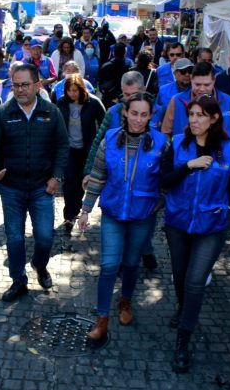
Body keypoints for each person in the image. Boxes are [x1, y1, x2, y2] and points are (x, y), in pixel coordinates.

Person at [161, 95, 230, 373]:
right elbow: (163, 181)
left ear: (213, 119)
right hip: (178, 223)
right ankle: (183, 308)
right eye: (192, 114)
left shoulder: (229, 150)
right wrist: (188, 166)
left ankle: (182, 342)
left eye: (201, 115)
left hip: (211, 226)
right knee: (179, 275)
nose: (195, 120)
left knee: (196, 280)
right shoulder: (177, 145)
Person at [79, 93, 168, 343]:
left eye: (144, 114)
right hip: (113, 214)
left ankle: (125, 302)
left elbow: (168, 180)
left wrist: (159, 202)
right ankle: (101, 319)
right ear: (125, 113)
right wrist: (86, 210)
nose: (138, 119)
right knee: (108, 266)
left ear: (151, 116)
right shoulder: (110, 139)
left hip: (142, 217)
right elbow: (97, 174)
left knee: (131, 263)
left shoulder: (161, 143)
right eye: (134, 113)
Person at [0, 64, 69, 302]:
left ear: (37, 85)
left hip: (43, 187)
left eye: (24, 85)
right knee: (14, 237)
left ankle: (40, 265)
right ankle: (18, 280)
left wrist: (57, 176)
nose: (19, 90)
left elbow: (63, 146)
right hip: (12, 187)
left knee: (45, 237)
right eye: (15, 85)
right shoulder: (3, 112)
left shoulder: (51, 112)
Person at [82, 71, 160, 270]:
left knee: (142, 222)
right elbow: (98, 141)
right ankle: (120, 263)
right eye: (125, 95)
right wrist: (88, 171)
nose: (130, 100)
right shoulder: (113, 112)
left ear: (143, 91)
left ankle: (146, 249)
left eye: (134, 94)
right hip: (118, 177)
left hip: (144, 181)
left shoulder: (156, 112)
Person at [57, 74, 106, 233]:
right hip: (69, 148)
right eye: (69, 90)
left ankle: (76, 209)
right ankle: (68, 215)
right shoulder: (62, 103)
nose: (72, 94)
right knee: (69, 181)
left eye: (75, 90)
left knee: (81, 182)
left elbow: (104, 121)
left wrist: (99, 142)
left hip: (86, 149)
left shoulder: (93, 103)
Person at [161, 62, 230, 143]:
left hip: (219, 155)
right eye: (197, 84)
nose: (202, 89)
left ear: (214, 81)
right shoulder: (176, 101)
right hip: (187, 155)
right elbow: (166, 132)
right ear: (191, 79)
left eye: (207, 85)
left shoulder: (228, 101)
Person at [153, 58, 192, 128]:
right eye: (183, 71)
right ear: (175, 74)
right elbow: (156, 117)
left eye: (190, 71)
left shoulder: (197, 90)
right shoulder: (163, 91)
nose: (187, 74)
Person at [98, 44, 131, 108]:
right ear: (125, 54)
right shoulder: (128, 68)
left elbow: (100, 85)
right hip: (123, 99)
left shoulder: (105, 66)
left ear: (113, 53)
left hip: (107, 99)